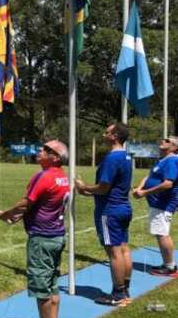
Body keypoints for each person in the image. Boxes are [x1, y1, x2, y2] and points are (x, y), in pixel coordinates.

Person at [0, 140, 70, 318]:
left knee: (42, 289)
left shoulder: (44, 176)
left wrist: (7, 214)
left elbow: (27, 202)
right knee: (52, 286)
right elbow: (41, 204)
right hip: (56, 236)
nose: (41, 151)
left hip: (42, 238)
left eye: (47, 150)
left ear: (55, 157)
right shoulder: (62, 177)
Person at [75, 122, 134, 306]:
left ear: (115, 136)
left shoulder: (111, 159)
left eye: (107, 132)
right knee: (123, 249)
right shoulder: (126, 157)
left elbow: (103, 187)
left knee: (114, 252)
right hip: (123, 208)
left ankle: (117, 295)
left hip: (110, 210)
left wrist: (84, 187)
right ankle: (124, 290)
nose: (104, 134)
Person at [132, 136, 178, 276]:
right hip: (157, 203)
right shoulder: (162, 160)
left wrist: (145, 192)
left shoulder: (172, 160)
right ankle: (167, 263)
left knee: (162, 233)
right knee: (159, 233)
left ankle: (170, 267)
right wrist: (139, 188)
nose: (163, 141)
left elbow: (168, 183)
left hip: (163, 203)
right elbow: (149, 177)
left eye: (168, 141)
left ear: (175, 148)